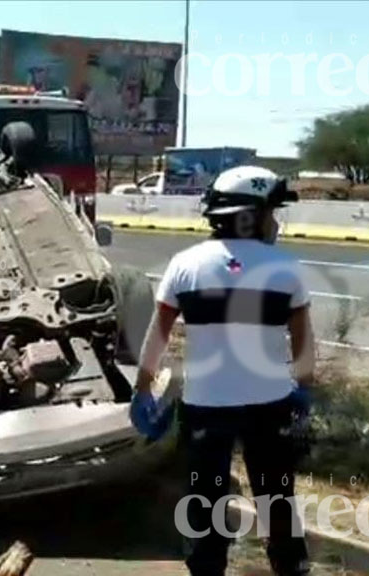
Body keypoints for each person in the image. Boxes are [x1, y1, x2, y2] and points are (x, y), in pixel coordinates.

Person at [130, 166, 315, 576]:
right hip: (271, 405)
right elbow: (303, 339)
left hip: (206, 406)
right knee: (276, 498)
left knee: (206, 501)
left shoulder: (184, 264)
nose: (276, 221)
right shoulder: (285, 267)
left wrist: (143, 390)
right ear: (250, 213)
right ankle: (291, 567)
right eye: (272, 211)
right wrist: (304, 389)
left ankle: (207, 568)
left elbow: (157, 335)